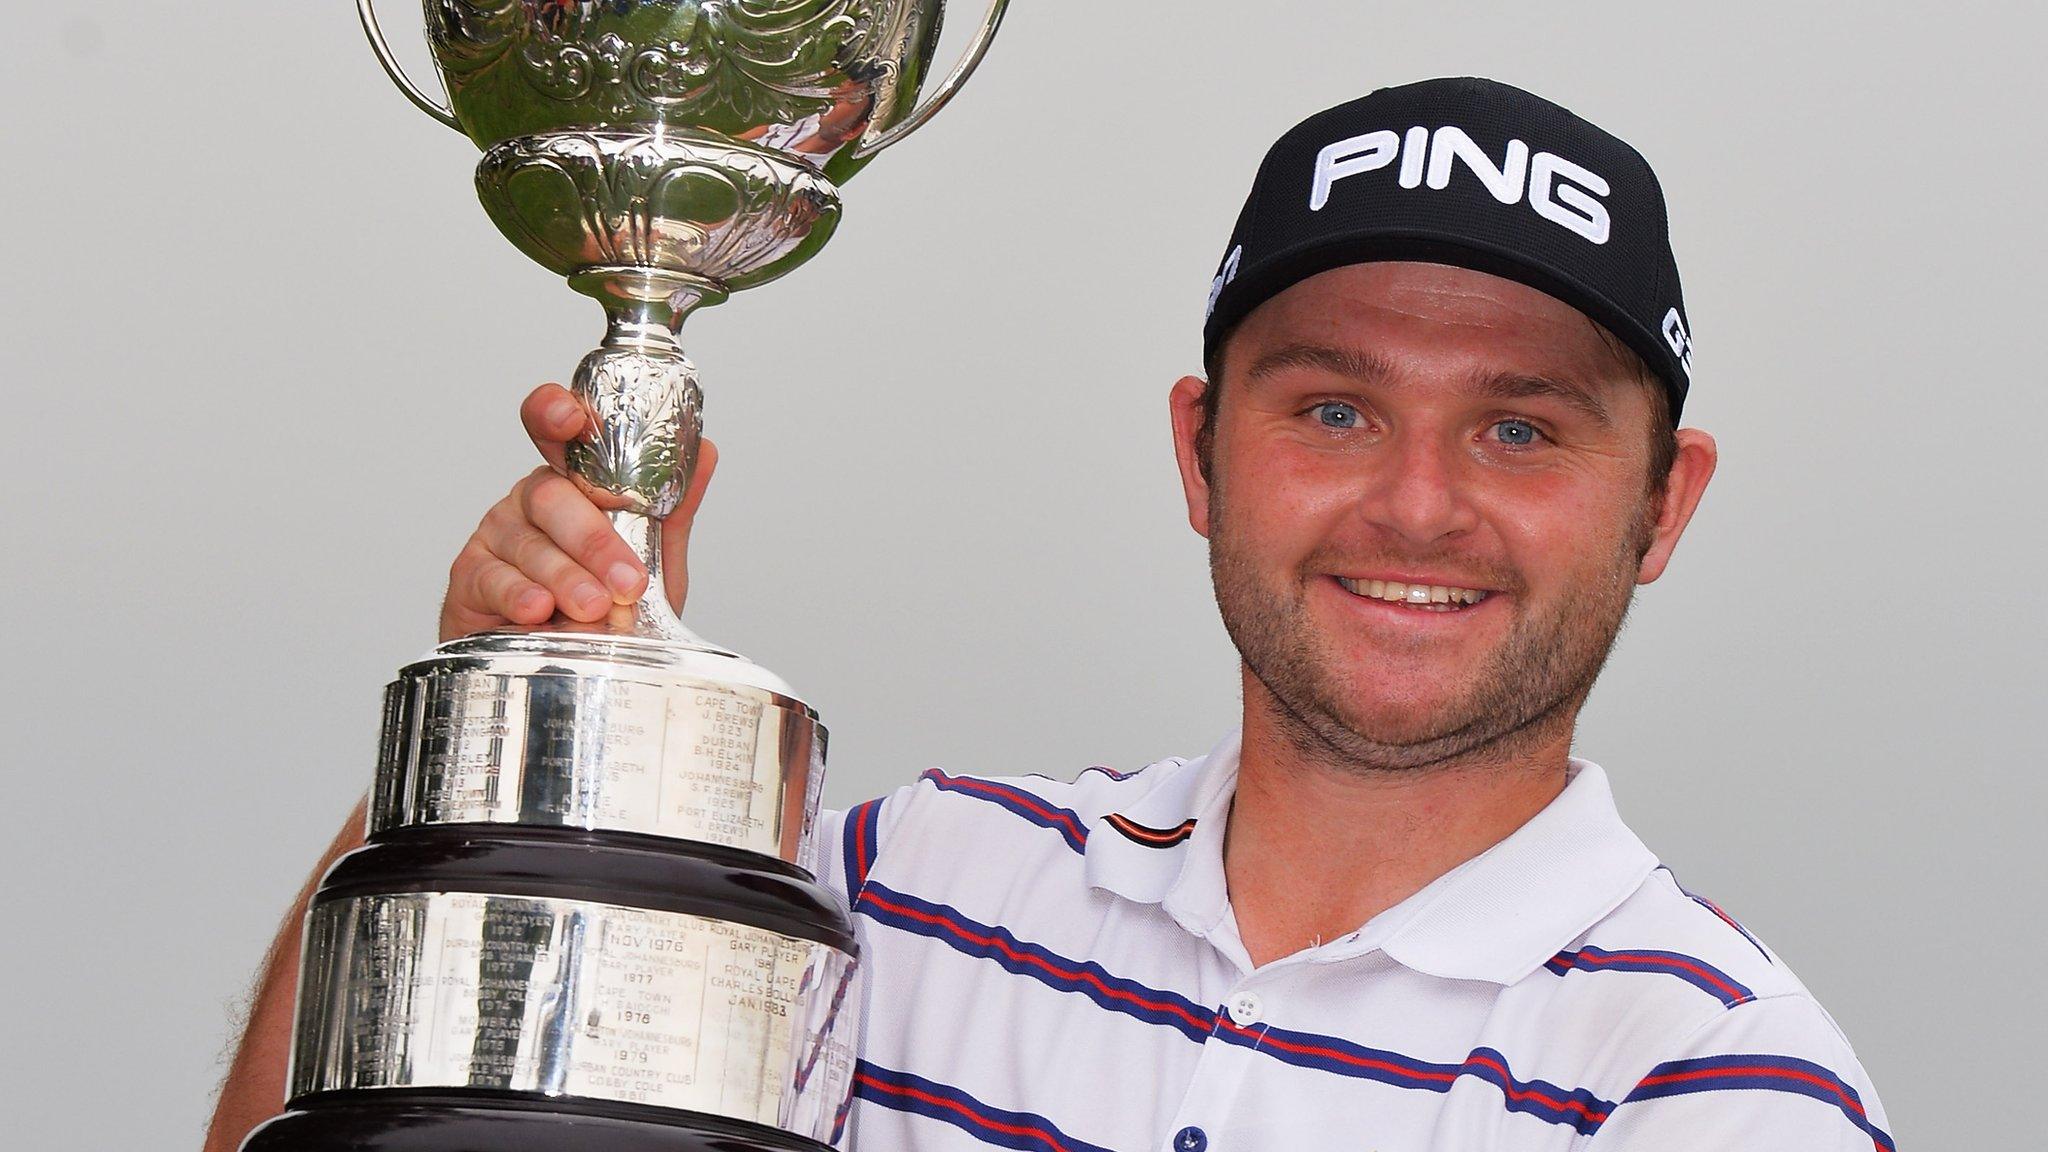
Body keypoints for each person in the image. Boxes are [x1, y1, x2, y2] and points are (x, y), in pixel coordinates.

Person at [207, 77, 1894, 1151]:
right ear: (1199, 452)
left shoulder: (1716, 1082)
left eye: (1521, 427)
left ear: (1662, 505)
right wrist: (511, 747)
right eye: (1332, 407)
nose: (1417, 502)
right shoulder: (908, 896)